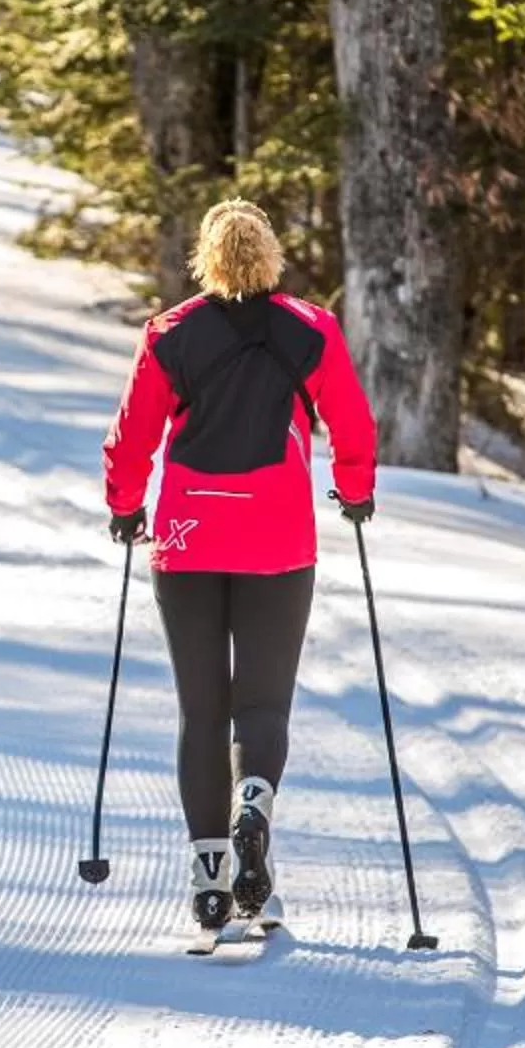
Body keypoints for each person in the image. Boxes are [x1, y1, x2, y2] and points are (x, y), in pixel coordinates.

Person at [103, 198, 376, 935]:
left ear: (206, 257)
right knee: (262, 704)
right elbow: (351, 421)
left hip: (189, 535)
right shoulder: (310, 328)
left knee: (202, 709)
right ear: (271, 253)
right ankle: (253, 797)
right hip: (277, 536)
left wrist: (125, 505)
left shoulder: (170, 333)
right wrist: (355, 489)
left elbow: (132, 435)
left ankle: (211, 879)